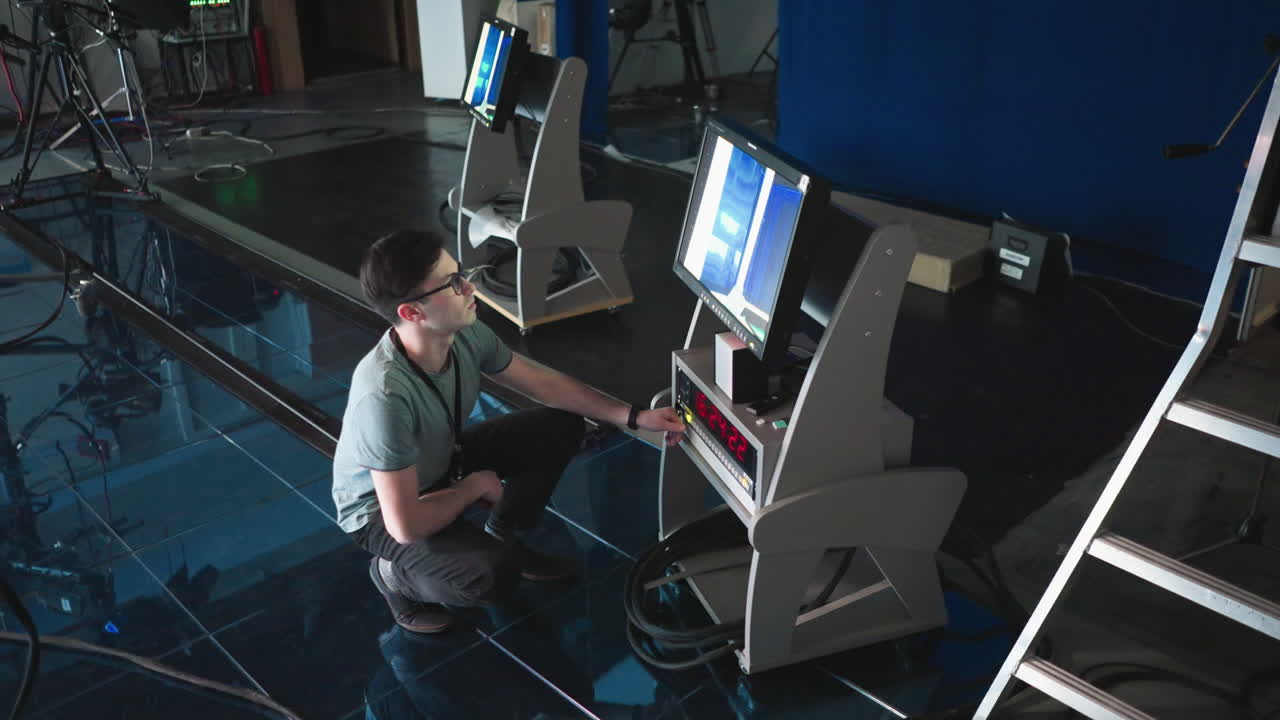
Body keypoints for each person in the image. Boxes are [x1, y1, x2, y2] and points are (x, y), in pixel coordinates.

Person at [333, 229, 686, 633]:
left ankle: (502, 533)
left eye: (461, 274)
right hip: (382, 511)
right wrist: (473, 487)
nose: (469, 287)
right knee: (492, 576)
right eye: (453, 283)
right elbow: (405, 525)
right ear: (412, 313)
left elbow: (542, 384)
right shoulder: (384, 397)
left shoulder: (462, 332)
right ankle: (393, 576)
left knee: (560, 426)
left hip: (441, 459)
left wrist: (632, 415)